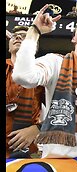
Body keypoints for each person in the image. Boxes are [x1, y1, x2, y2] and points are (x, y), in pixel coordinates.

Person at [12, 4, 77, 159]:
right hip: (58, 155)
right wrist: (34, 31)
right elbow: (22, 76)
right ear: (73, 38)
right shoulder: (54, 61)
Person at [6, 26, 44, 158]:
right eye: (14, 36)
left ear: (33, 46)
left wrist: (39, 128)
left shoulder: (42, 73)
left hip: (27, 150)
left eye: (24, 36)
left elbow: (59, 106)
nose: (17, 37)